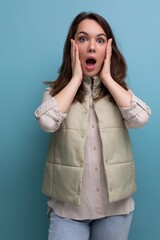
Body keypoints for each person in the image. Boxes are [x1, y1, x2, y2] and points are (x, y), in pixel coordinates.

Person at [34, 11, 151, 240]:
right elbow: (47, 122)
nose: (91, 47)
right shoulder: (55, 93)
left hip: (115, 211)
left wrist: (108, 79)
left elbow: (141, 118)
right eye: (83, 38)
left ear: (108, 49)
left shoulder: (120, 94)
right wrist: (76, 79)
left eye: (99, 40)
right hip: (67, 211)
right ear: (72, 46)